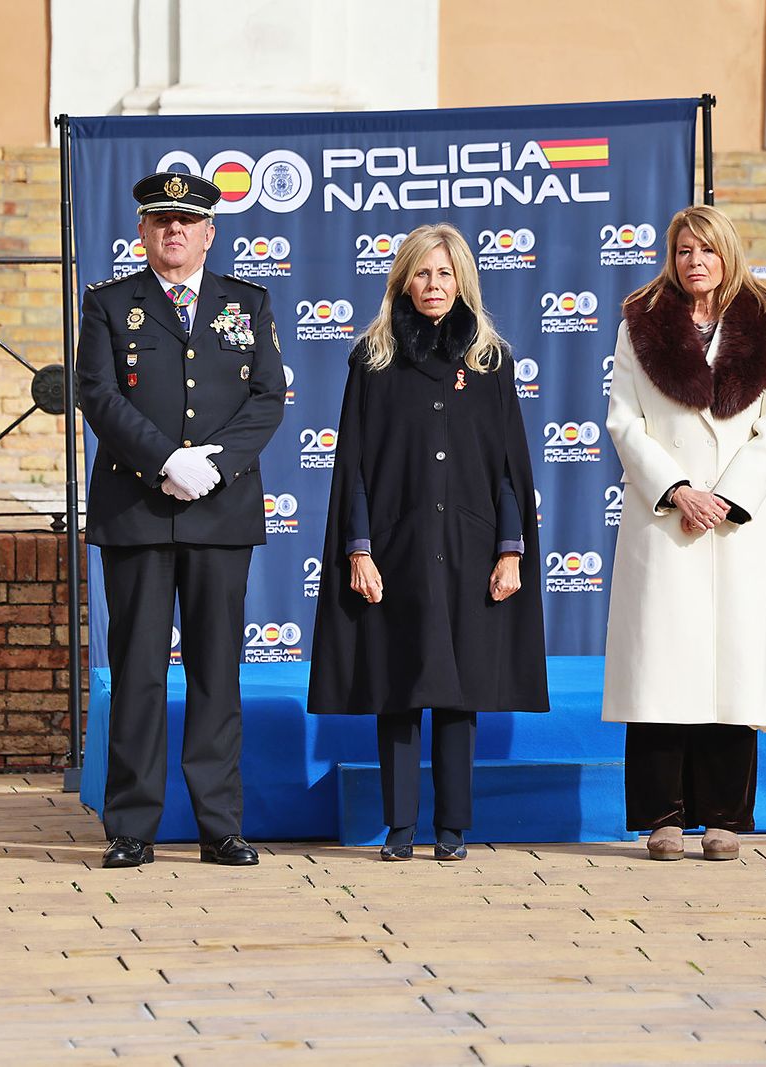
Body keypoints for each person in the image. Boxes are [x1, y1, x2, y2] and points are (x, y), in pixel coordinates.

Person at [307, 222, 549, 861]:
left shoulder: (490, 361)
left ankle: (452, 829)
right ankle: (400, 828)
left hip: (471, 550)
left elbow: (508, 468)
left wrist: (509, 550)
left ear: (462, 280)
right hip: (396, 550)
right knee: (399, 686)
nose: (433, 284)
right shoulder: (373, 360)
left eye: (444, 273)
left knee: (459, 689)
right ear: (402, 282)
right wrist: (359, 550)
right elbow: (353, 467)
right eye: (422, 273)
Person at [76, 171, 286, 869]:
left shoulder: (245, 302)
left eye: (186, 221)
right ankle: (131, 826)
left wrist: (215, 464)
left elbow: (267, 396)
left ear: (209, 233)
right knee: (137, 670)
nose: (173, 230)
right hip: (137, 507)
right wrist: (165, 459)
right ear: (142, 231)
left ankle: (219, 824)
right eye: (161, 219)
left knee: (216, 673)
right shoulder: (109, 304)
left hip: (220, 511)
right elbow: (99, 395)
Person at [601, 204, 766, 862]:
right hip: (668, 521)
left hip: (735, 526)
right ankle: (660, 817)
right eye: (683, 250)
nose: (695, 261)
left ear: (727, 255)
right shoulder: (641, 325)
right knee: (662, 667)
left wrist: (726, 498)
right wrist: (678, 489)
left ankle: (724, 818)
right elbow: (625, 422)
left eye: (706, 250)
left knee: (731, 668)